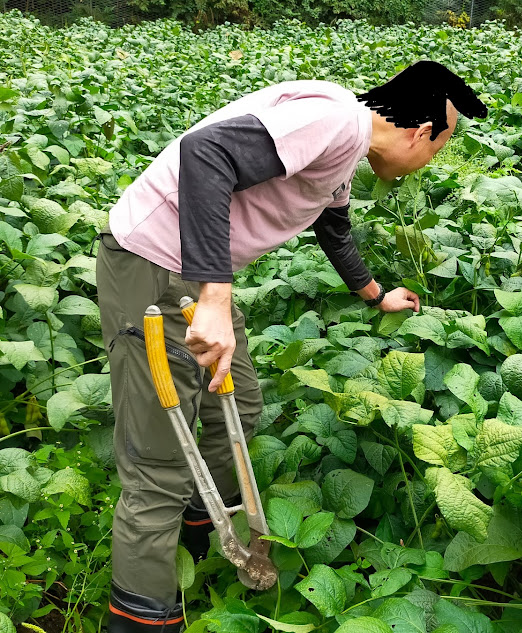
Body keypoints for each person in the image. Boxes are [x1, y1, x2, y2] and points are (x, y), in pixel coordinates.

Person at [95, 59, 487, 632]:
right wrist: (217, 297)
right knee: (157, 466)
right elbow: (206, 153)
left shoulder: (344, 148)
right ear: (421, 132)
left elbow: (332, 226)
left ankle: (198, 538)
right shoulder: (334, 121)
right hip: (152, 267)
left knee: (240, 408)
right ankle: (142, 618)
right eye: (440, 149)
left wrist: (375, 294)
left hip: (194, 277)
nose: (431, 163)